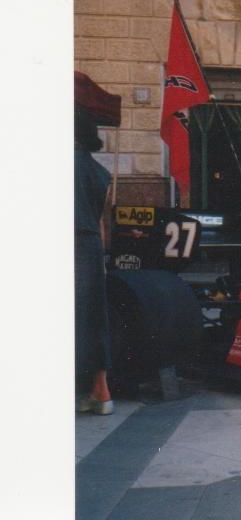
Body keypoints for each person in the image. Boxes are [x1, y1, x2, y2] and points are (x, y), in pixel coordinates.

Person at [74, 108, 114, 415]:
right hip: (90, 246)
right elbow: (102, 222)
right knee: (94, 318)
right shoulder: (101, 172)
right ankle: (101, 392)